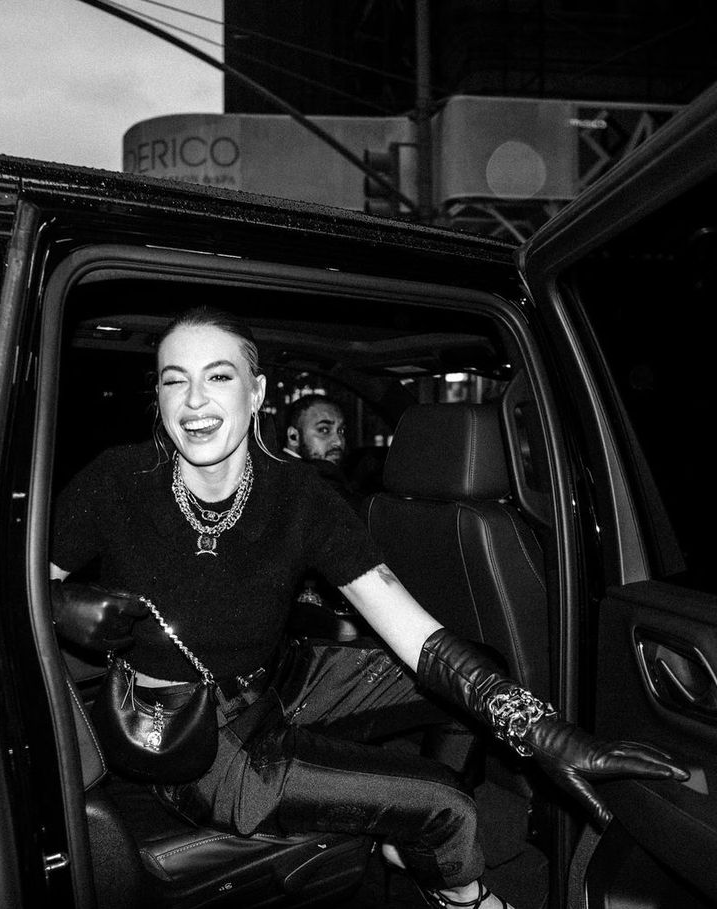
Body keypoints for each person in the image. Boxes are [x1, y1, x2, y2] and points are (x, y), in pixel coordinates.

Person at [50, 306, 688, 909]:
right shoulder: (117, 481)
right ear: (158, 399)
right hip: (194, 743)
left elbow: (407, 625)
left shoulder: (302, 497)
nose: (194, 401)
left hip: (279, 682)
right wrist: (58, 604)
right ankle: (453, 884)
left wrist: (549, 735)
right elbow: (12, 587)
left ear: (257, 392)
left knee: (477, 670)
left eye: (219, 376)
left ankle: (395, 820)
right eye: (174, 381)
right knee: (445, 806)